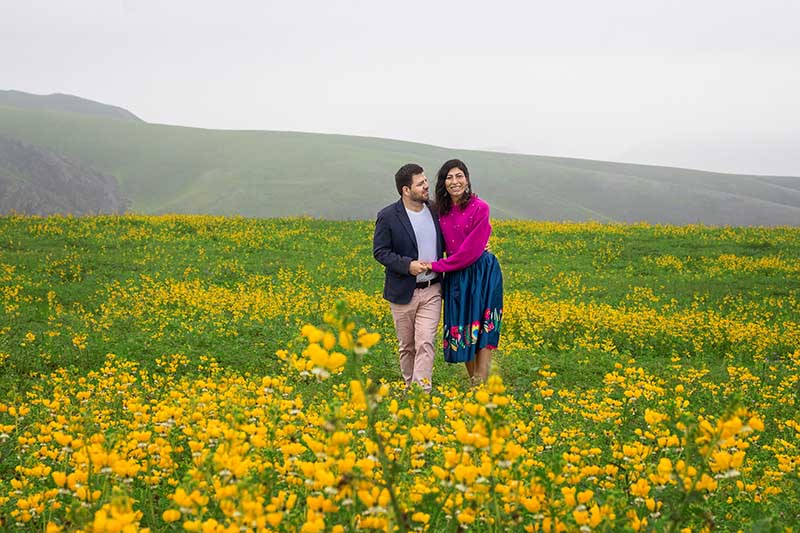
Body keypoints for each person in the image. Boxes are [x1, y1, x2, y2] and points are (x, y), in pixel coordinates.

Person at [425, 159, 503, 384]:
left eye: (459, 176)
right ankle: (475, 382)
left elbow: (470, 252)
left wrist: (435, 266)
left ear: (467, 180)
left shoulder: (481, 207)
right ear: (443, 183)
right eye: (449, 177)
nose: (454, 181)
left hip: (482, 271)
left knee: (484, 325)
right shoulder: (438, 211)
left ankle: (480, 382)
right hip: (457, 274)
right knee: (462, 326)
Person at [373, 163, 444, 393]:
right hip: (403, 291)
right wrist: (407, 265)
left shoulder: (435, 210)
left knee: (425, 342)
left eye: (425, 181)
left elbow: (455, 234)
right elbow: (380, 251)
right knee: (407, 346)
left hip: (432, 288)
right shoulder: (387, 216)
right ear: (406, 189)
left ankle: (419, 394)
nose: (426, 186)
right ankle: (409, 385)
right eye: (420, 183)